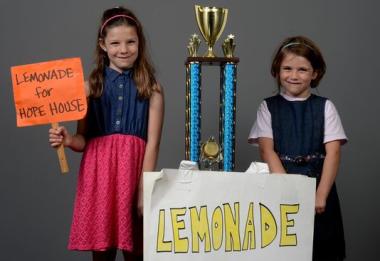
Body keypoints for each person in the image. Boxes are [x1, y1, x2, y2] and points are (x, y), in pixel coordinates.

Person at [49, 6, 164, 261]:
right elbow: (82, 140)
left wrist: (144, 189)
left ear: (139, 42)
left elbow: (153, 143)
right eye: (115, 43)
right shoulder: (89, 87)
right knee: (102, 251)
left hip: (134, 174)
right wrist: (67, 140)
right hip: (99, 174)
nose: (123, 49)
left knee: (137, 250)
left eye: (130, 42)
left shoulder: (152, 88)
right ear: (103, 45)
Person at [248, 36, 346, 261]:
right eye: (287, 68)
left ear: (315, 73)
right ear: (276, 71)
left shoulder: (325, 107)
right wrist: (287, 189)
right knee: (283, 249)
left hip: (318, 190)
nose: (294, 75)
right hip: (280, 187)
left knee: (320, 248)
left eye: (302, 69)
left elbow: (333, 153)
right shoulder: (268, 107)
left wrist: (321, 194)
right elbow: (267, 150)